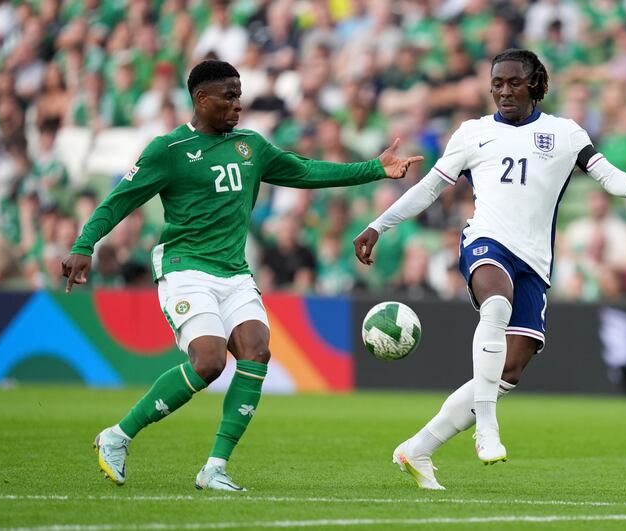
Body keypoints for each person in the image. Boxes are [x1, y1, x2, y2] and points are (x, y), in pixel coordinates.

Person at [62, 60, 422, 491]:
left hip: (234, 272)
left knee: (256, 351)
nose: (238, 103)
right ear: (201, 99)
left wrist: (374, 169)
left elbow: (304, 171)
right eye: (228, 96)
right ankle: (117, 437)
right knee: (210, 362)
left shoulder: (251, 145)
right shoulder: (168, 150)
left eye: (239, 94)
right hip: (185, 268)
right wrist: (85, 244)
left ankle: (214, 467)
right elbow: (118, 200)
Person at [353, 49, 626, 490]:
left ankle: (416, 449)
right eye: (497, 84)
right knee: (496, 304)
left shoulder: (565, 133)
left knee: (509, 370)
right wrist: (379, 225)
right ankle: (486, 426)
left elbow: (607, 177)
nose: (504, 91)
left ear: (536, 85)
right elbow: (430, 188)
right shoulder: (472, 133)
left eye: (513, 82)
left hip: (534, 261)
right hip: (486, 242)